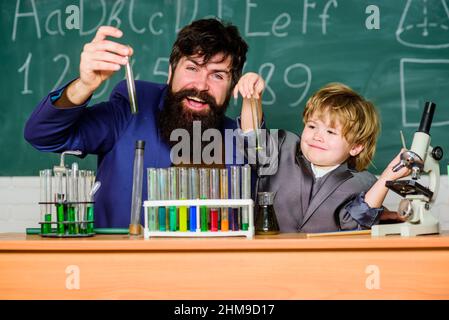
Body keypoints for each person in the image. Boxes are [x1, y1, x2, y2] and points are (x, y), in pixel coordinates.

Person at [24, 19, 250, 228]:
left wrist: (253, 110)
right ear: (170, 72)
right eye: (192, 68)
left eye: (218, 75)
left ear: (232, 86)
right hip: (117, 264)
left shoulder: (236, 137)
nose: (201, 85)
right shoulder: (132, 107)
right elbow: (43, 135)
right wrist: (84, 85)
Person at [234, 73, 410, 233]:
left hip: (324, 262)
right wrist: (251, 98)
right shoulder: (283, 148)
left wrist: (388, 176)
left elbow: (357, 221)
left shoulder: (362, 183)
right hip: (266, 255)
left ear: (356, 147)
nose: (317, 136)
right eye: (312, 126)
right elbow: (251, 140)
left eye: (331, 132)